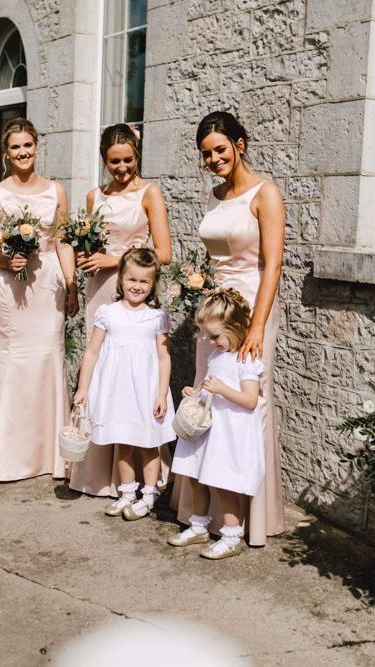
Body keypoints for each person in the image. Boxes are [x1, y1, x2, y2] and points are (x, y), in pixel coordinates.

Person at [171, 110, 285, 545]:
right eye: (206, 154)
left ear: (239, 145)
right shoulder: (215, 196)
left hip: (251, 310)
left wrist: (257, 326)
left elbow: (273, 263)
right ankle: (202, 517)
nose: (213, 159)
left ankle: (245, 522)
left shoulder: (265, 193)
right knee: (206, 394)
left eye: (220, 149)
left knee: (244, 405)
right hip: (214, 311)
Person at [0, 118, 78, 481]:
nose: (22, 152)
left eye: (27, 146)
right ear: (6, 153)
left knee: (48, 357)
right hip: (10, 287)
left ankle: (50, 456)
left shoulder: (56, 191)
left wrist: (71, 280)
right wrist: (4, 259)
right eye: (15, 147)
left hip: (47, 283)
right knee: (11, 363)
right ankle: (6, 455)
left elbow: (63, 239)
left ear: (36, 147)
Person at [69, 123, 172, 498]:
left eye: (128, 160)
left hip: (133, 288)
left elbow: (163, 253)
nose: (123, 168)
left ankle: (142, 480)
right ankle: (98, 476)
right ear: (104, 160)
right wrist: (84, 256)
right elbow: (89, 241)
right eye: (115, 162)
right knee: (104, 373)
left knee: (133, 381)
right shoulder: (94, 196)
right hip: (101, 291)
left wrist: (114, 260)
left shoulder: (149, 192)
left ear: (137, 156)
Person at [73, 247, 175, 519]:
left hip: (146, 390)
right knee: (123, 442)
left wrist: (162, 394)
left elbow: (164, 357)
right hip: (116, 390)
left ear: (152, 285)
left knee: (148, 443)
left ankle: (150, 494)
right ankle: (127, 491)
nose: (137, 286)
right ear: (120, 279)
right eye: (132, 279)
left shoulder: (157, 317)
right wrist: (84, 388)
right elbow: (92, 351)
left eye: (144, 281)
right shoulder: (107, 313)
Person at [170, 289, 265, 558]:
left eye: (215, 336)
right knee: (195, 476)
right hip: (207, 425)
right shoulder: (216, 357)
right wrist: (196, 391)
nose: (210, 342)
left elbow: (249, 400)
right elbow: (210, 385)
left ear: (235, 329)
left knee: (223, 481)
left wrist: (221, 389)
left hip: (229, 430)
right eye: (207, 336)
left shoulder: (247, 359)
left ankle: (232, 535)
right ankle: (199, 524)